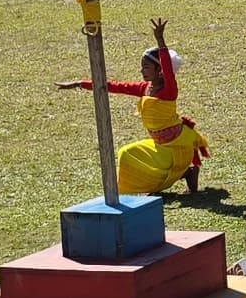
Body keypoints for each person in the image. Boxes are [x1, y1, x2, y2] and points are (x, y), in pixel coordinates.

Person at [57, 17, 207, 194]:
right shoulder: (145, 88)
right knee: (127, 153)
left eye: (146, 67)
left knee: (155, 163)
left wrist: (160, 40)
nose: (141, 71)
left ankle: (186, 173)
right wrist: (80, 83)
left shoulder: (168, 90)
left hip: (176, 147)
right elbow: (113, 86)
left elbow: (167, 68)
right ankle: (184, 173)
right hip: (159, 144)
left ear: (159, 70)